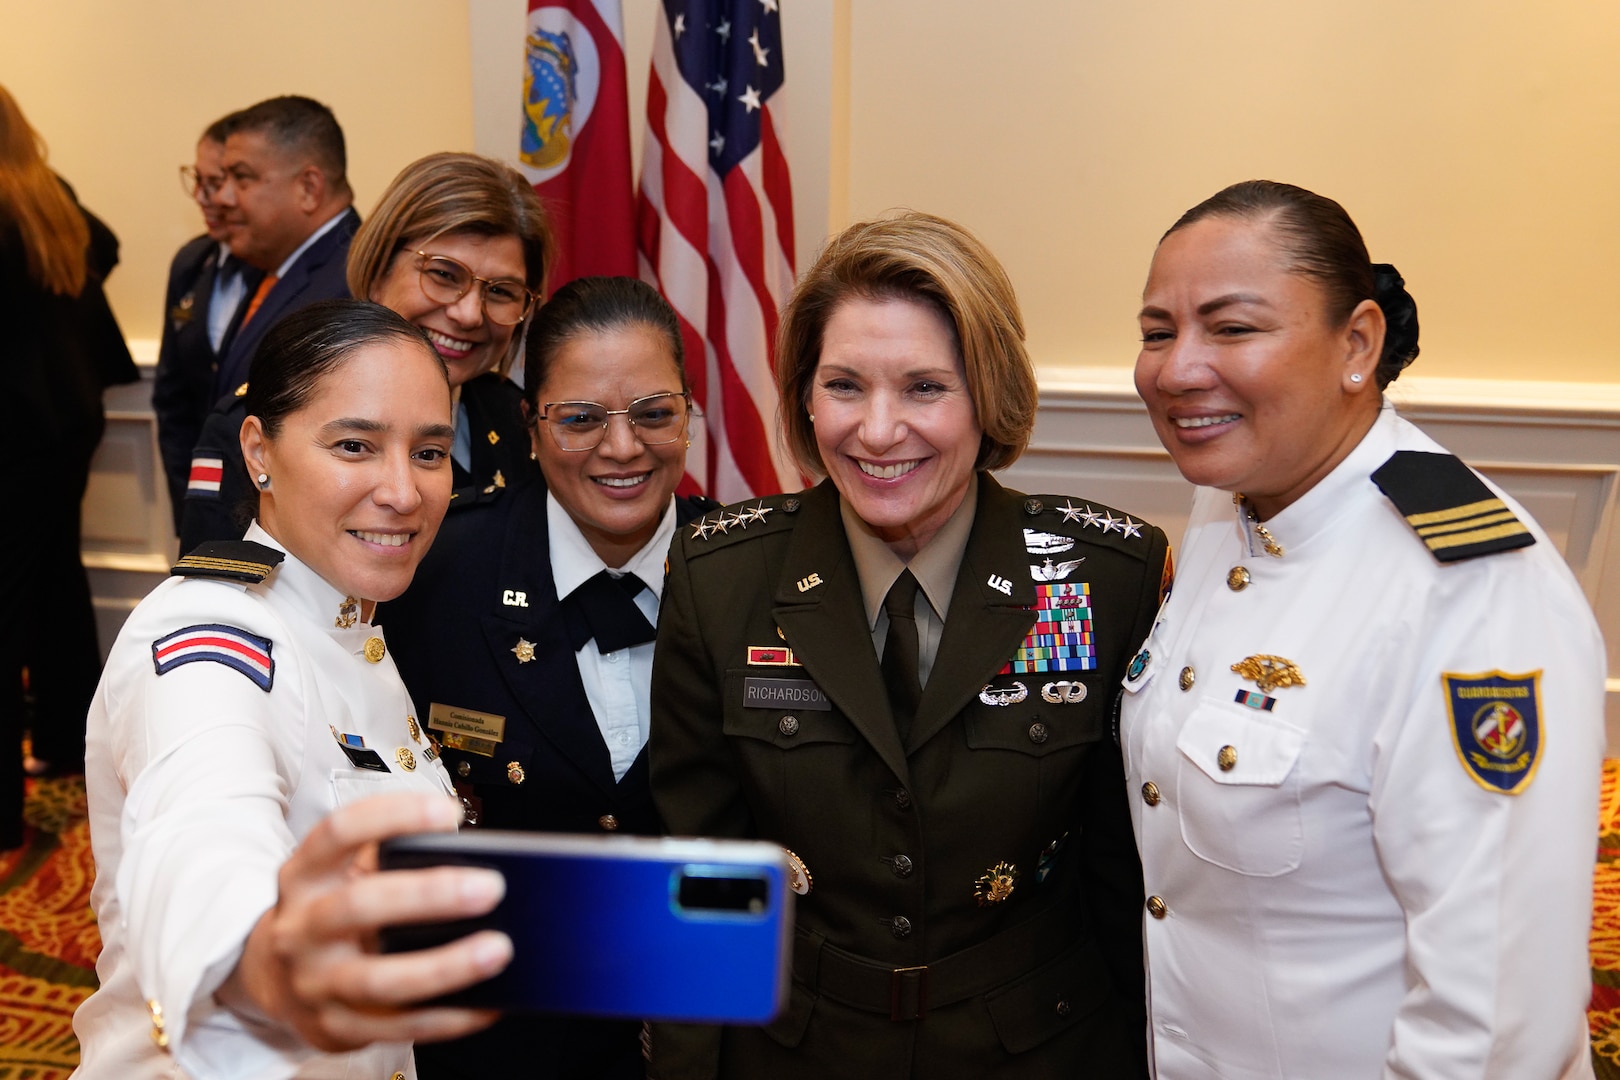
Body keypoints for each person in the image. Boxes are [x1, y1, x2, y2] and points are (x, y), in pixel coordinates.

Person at [647, 211, 1170, 1078]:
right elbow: (698, 879)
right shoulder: (722, 577)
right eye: (845, 385)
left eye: (925, 387)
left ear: (988, 393)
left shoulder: (1108, 576)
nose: (879, 431)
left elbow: (1128, 884)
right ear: (804, 397)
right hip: (798, 1050)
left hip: (1040, 1049)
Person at [1122, 179, 1604, 1078]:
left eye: (1232, 328)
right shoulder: (1235, 498)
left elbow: (1498, 1025)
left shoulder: (1471, 589)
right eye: (1158, 331)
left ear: (1358, 344)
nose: (1178, 369)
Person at [74, 300, 513, 1078]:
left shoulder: (344, 619)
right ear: (259, 451)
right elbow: (204, 828)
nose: (403, 492)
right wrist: (259, 961)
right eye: (354, 445)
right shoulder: (211, 637)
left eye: (429, 452)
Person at [382, 276, 716, 1080]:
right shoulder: (434, 576)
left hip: (707, 1023)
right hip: (500, 1034)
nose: (623, 447)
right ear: (531, 428)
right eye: (579, 418)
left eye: (653, 413)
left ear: (688, 419)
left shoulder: (761, 572)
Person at [0, 83, 137, 836]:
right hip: (65, 420)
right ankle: (62, 742)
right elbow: (106, 246)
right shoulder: (46, 192)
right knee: (53, 583)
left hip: (16, 429)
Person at [180, 94, 359, 550]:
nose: (223, 196)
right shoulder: (271, 265)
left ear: (308, 188)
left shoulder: (351, 278)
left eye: (241, 178)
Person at [346, 151, 552, 511]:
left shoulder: (522, 422)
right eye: (443, 274)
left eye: (502, 291)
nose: (470, 314)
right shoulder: (278, 416)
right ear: (380, 271)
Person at [152, 116, 266, 530]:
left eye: (216, 182)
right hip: (201, 493)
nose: (203, 197)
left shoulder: (275, 271)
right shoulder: (190, 262)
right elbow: (172, 397)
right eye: (196, 180)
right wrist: (187, 500)